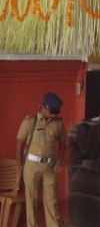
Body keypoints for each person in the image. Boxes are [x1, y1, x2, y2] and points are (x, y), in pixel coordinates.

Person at [16, 92, 67, 227]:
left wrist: (60, 161)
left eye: (55, 112)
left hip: (50, 166)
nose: (54, 115)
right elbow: (19, 144)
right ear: (43, 107)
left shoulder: (58, 123)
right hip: (32, 166)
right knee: (32, 201)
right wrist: (19, 166)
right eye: (51, 112)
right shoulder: (29, 122)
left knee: (52, 201)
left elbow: (63, 142)